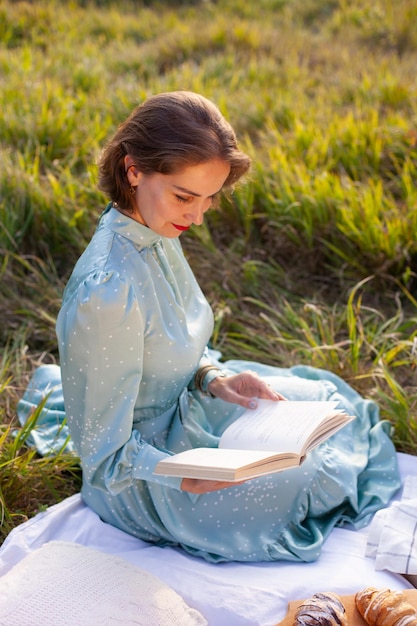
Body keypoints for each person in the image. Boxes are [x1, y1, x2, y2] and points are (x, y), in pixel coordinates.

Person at [18, 91, 401, 563]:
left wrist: (214, 378)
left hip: (189, 410)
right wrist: (178, 473)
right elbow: (103, 455)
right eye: (185, 196)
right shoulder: (108, 290)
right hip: (141, 473)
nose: (197, 216)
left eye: (210, 199)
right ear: (133, 170)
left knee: (326, 408)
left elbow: (169, 342)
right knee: (295, 477)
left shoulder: (155, 229)